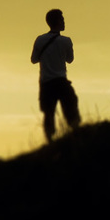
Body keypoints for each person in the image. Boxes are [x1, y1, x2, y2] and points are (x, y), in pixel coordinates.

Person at [31, 9, 81, 142]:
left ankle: (50, 139)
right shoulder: (66, 41)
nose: (64, 22)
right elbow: (70, 59)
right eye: (62, 19)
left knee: (49, 112)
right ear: (58, 21)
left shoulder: (40, 40)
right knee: (71, 107)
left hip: (46, 82)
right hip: (61, 81)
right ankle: (76, 134)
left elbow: (34, 59)